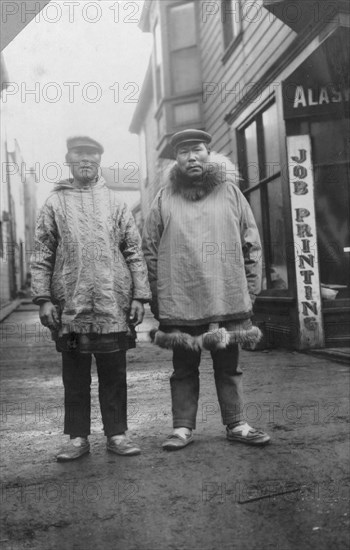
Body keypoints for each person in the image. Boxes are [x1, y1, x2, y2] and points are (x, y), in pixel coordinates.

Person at [142, 129, 270, 450]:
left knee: (229, 367)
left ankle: (237, 424)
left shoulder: (229, 192)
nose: (192, 157)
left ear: (208, 153)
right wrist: (159, 299)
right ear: (177, 160)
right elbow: (149, 250)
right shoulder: (164, 198)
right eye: (184, 152)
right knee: (184, 369)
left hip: (226, 296)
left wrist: (249, 292)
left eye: (197, 149)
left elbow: (251, 243)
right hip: (181, 299)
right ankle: (182, 428)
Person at [31, 136, 151, 461]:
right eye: (79, 153)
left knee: (114, 373)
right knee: (74, 374)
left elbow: (134, 252)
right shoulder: (55, 203)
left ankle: (117, 433)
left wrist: (141, 296)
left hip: (113, 304)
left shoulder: (116, 203)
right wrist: (43, 298)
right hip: (70, 308)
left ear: (100, 160)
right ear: (68, 158)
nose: (86, 159)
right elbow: (42, 251)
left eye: (92, 154)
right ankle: (76, 437)